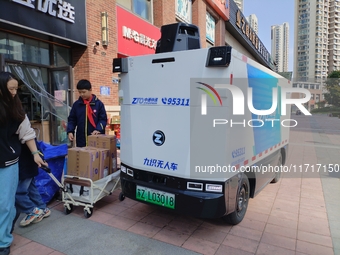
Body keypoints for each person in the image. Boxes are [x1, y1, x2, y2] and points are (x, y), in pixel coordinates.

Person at [0, 71, 46, 255]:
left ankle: (3, 241)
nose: (13, 93)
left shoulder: (17, 110)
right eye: (10, 89)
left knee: (5, 203)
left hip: (9, 161)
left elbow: (27, 133)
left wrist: (36, 154)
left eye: (15, 89)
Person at [14, 142, 51, 227]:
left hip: (24, 166)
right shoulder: (27, 133)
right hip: (29, 165)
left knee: (18, 192)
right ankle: (42, 208)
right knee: (32, 189)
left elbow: (33, 144)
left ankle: (32, 210)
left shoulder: (22, 131)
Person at [67, 79, 107, 147]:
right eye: (80, 92)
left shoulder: (98, 104)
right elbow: (72, 119)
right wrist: (70, 131)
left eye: (84, 92)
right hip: (81, 139)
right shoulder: (76, 105)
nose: (82, 94)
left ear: (90, 90)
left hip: (96, 138)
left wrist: (98, 129)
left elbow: (103, 119)